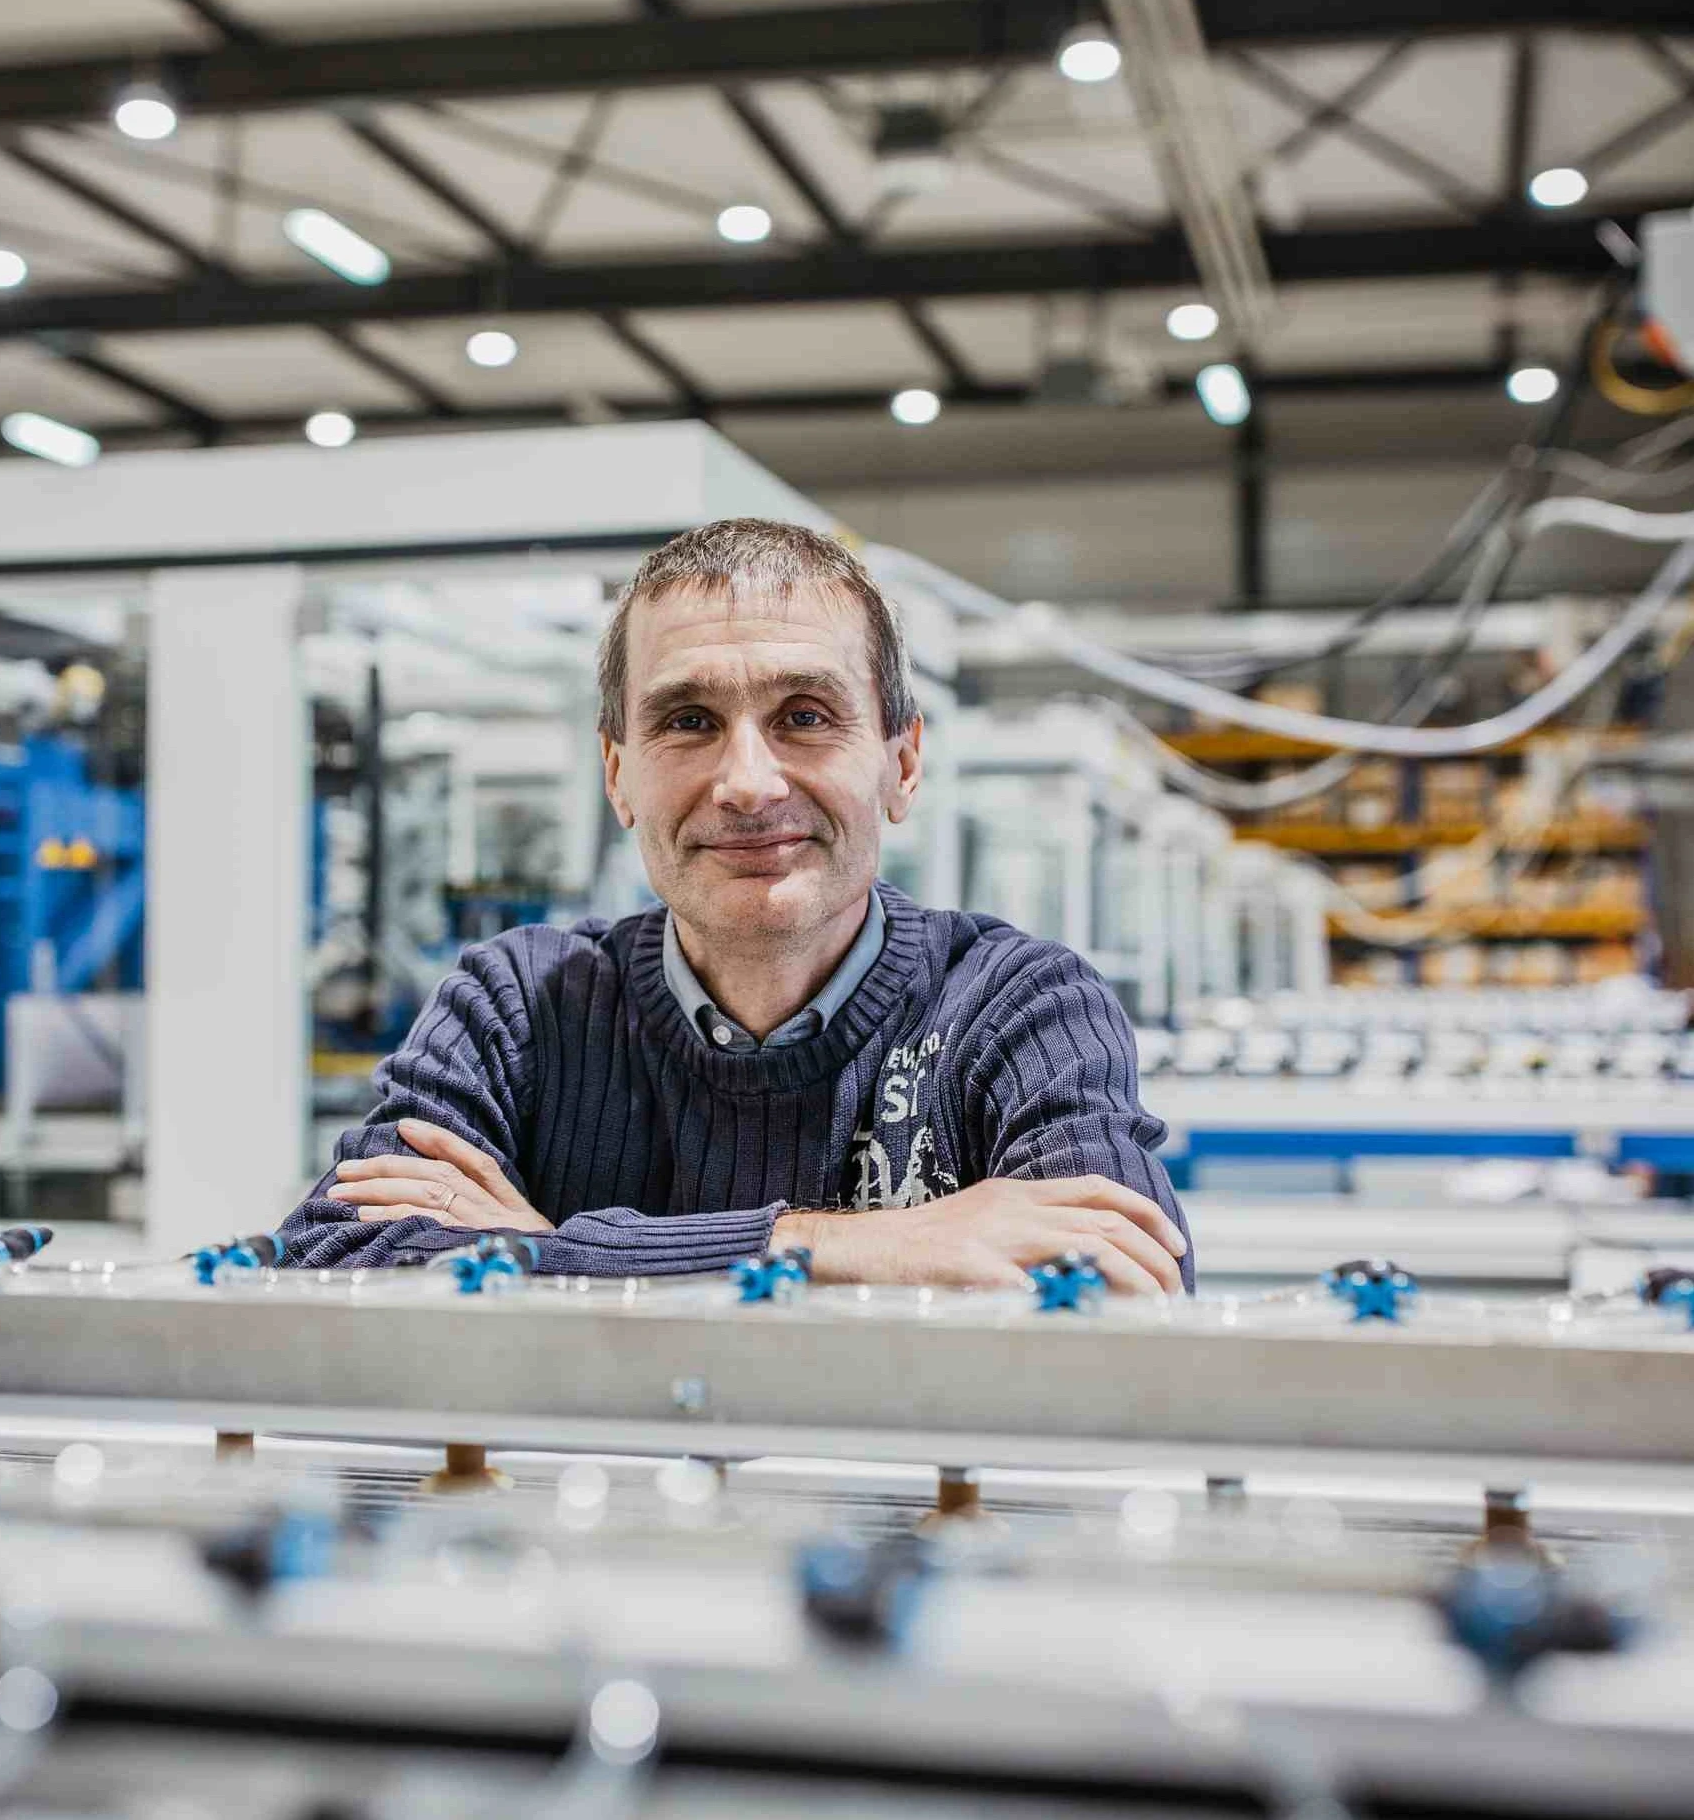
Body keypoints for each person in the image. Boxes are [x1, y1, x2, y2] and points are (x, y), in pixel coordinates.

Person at [279, 519, 1190, 1294]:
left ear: (901, 764)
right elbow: (336, 1262)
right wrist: (837, 1245)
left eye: (803, 716)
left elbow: (1119, 1285)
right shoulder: (517, 1003)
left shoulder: (1016, 1005)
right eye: (687, 721)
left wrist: (538, 1253)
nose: (747, 785)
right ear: (617, 773)